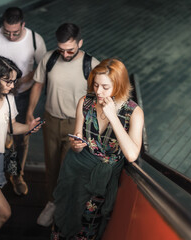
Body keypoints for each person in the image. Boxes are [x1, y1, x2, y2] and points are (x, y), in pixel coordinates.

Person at [51, 58, 144, 239]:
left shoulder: (133, 112)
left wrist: (113, 117)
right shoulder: (86, 102)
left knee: (88, 226)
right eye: (95, 85)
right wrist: (76, 145)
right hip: (76, 172)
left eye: (105, 87)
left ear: (119, 85)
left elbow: (132, 155)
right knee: (63, 218)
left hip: (101, 180)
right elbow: (77, 139)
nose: (98, 91)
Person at [25, 23, 100, 226]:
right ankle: (52, 203)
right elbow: (38, 84)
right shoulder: (49, 59)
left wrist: (90, 129)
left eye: (70, 50)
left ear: (80, 43)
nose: (65, 54)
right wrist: (30, 111)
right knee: (52, 166)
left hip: (76, 125)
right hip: (51, 121)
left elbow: (100, 99)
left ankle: (67, 208)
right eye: (62, 50)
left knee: (71, 170)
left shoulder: (92, 65)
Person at [0, 6, 47, 196]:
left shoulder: (35, 40)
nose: (10, 37)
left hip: (23, 94)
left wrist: (24, 80)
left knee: (20, 138)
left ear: (23, 25)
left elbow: (42, 72)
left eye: (15, 33)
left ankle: (17, 174)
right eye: (7, 32)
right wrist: (2, 83)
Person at [0, 56, 41, 236]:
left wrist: (29, 127)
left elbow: (11, 127)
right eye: (7, 81)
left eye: (13, 81)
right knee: (3, 213)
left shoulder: (8, 99)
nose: (12, 85)